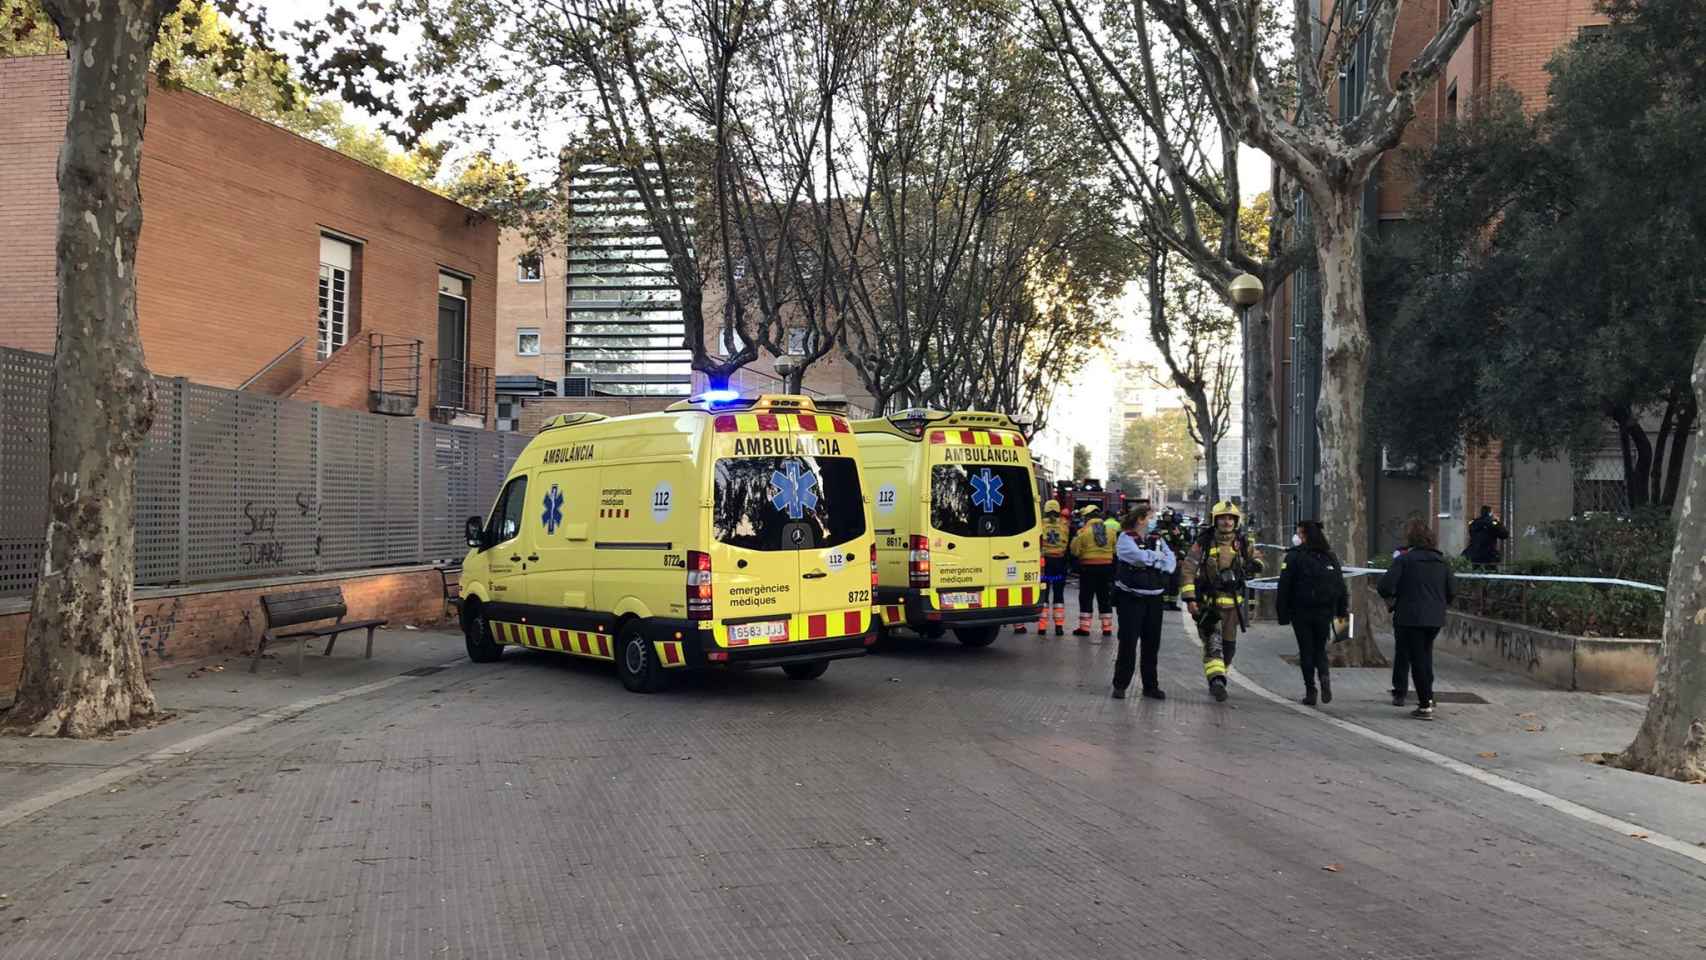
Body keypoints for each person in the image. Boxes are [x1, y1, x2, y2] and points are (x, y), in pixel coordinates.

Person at [1179, 500, 1264, 701]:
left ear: (1236, 521)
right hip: (1209, 605)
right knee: (1213, 645)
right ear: (1215, 521)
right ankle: (1217, 681)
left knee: (1228, 648)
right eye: (1222, 518)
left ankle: (1220, 674)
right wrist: (1190, 599)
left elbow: (1259, 560)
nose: (1227, 522)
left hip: (1233, 608)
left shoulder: (1243, 543)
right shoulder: (1203, 543)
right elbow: (1188, 571)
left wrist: (1253, 566)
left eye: (1230, 518)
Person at [1378, 518, 1455, 721]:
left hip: (1409, 617)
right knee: (1425, 656)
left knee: (1416, 659)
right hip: (1434, 618)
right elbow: (1452, 591)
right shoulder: (1442, 563)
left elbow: (1384, 586)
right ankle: (1427, 696)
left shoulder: (1404, 560)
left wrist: (1396, 599)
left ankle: (1424, 704)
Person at [1275, 520, 1349, 706]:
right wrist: (1342, 615)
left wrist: (1282, 614)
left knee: (1306, 650)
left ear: (1305, 535)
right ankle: (1324, 676)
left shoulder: (1293, 557)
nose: (1297, 537)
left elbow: (1284, 587)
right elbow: (1341, 586)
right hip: (1326, 611)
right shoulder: (1330, 556)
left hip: (1301, 612)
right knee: (1320, 649)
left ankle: (1311, 691)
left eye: (1300, 533)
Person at [1111, 507, 1175, 699]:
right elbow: (1136, 557)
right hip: (1131, 599)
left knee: (1151, 644)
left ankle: (1150, 686)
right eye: (1151, 517)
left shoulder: (1157, 539)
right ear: (1140, 519)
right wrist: (1157, 559)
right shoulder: (1125, 538)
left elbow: (1170, 561)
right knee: (1128, 643)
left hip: (1154, 598)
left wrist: (1156, 560)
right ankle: (1120, 685)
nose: (1154, 521)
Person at [1069, 505, 1116, 638]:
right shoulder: (1111, 531)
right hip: (1107, 568)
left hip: (1088, 569)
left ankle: (1084, 628)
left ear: (1087, 517)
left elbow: (1075, 551)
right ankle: (1107, 628)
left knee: (1086, 597)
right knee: (1104, 597)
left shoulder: (1083, 532)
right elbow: (1115, 550)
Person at [1036, 499, 1071, 636]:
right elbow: (1069, 546)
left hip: (1045, 564)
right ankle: (1059, 627)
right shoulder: (1065, 525)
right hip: (1059, 563)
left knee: (1044, 594)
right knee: (1058, 594)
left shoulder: (1040, 525)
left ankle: (1042, 627)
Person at [1155, 507, 1190, 610]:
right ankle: (1164, 602)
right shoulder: (1158, 529)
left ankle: (1173, 603)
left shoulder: (1178, 529)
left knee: (1175, 582)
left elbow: (1184, 544)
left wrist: (1181, 557)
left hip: (1176, 558)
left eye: (1169, 516)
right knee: (1164, 581)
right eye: (1166, 516)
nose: (1167, 518)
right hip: (1164, 559)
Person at [1464, 505, 1509, 570]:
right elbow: (1505, 535)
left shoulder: (1474, 523)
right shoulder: (1493, 523)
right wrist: (1497, 522)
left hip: (1475, 555)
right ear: (1490, 513)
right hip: (1489, 555)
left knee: (1476, 573)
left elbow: (1471, 533)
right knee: (1491, 574)